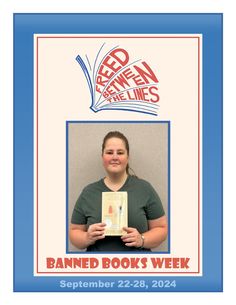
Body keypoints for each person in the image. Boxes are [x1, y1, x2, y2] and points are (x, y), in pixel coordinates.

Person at [69, 131, 168, 251]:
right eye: (109, 152)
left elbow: (161, 228)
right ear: (102, 156)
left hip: (137, 266)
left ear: (128, 156)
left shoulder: (144, 189)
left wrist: (141, 239)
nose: (115, 157)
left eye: (120, 153)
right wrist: (86, 237)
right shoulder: (88, 192)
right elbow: (74, 232)